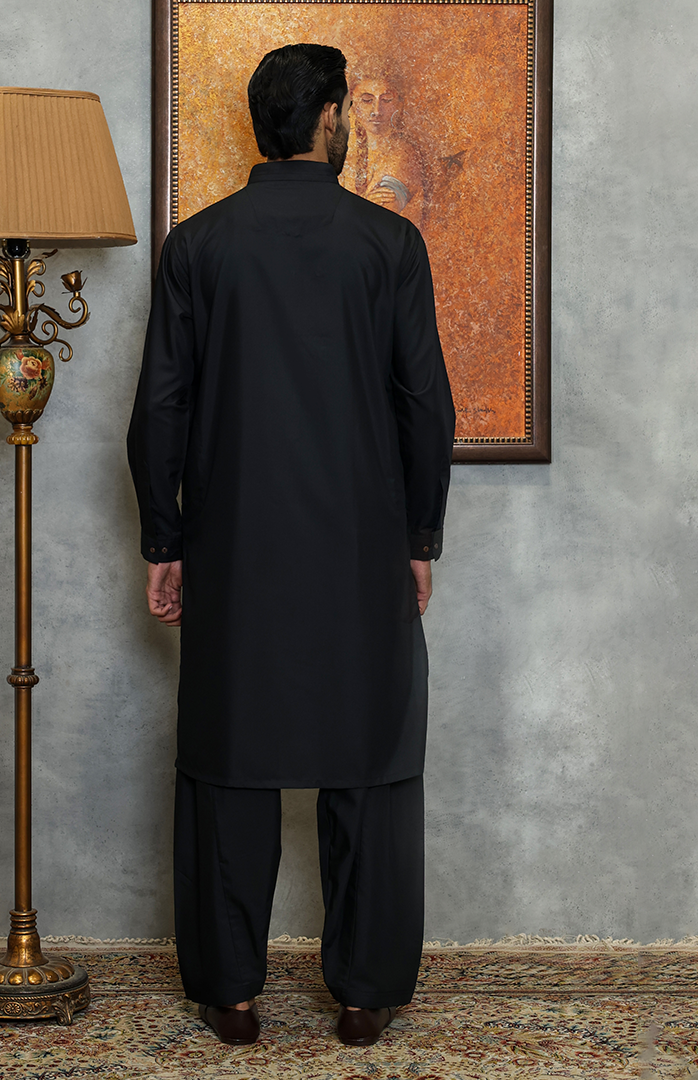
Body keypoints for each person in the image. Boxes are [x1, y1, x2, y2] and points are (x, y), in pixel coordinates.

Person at [127, 42, 455, 1048]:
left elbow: (160, 409)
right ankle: (363, 994)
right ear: (326, 120)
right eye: (344, 109)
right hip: (362, 548)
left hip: (233, 550)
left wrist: (164, 540)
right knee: (372, 760)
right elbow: (424, 406)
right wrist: (420, 537)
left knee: (231, 762)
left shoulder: (198, 245)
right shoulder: (388, 244)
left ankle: (229, 995)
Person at [342, 74, 425, 228]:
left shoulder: (402, 154)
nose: (376, 111)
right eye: (367, 100)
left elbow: (380, 216)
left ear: (399, 104)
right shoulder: (347, 151)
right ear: (352, 103)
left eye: (386, 100)